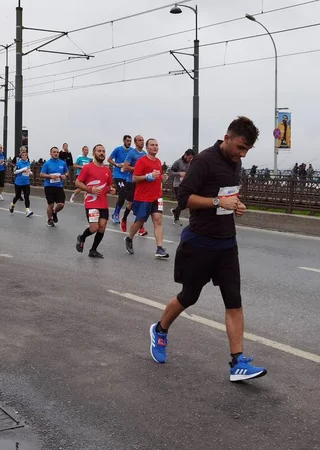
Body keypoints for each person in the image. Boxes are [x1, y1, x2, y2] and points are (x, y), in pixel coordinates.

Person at [149, 116, 268, 382]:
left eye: (248, 150)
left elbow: (227, 197)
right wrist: (217, 202)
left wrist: (236, 206)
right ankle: (160, 330)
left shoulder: (235, 163)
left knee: (234, 301)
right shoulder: (203, 160)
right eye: (240, 147)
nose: (243, 154)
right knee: (189, 296)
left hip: (227, 243)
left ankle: (238, 362)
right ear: (227, 138)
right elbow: (182, 198)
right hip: (200, 242)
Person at [124, 138, 169, 259]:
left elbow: (157, 177)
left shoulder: (158, 162)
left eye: (156, 145)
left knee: (158, 220)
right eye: (152, 145)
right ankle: (129, 238)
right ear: (147, 148)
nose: (155, 147)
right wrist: (148, 176)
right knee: (140, 221)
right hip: (144, 197)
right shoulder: (141, 161)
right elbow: (135, 178)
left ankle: (159, 248)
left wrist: (162, 178)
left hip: (157, 197)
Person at [75, 144, 116, 258]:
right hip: (91, 202)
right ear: (94, 153)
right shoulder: (87, 168)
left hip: (103, 203)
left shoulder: (107, 170)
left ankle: (93, 250)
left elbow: (109, 186)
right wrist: (90, 189)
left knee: (102, 227)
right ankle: (82, 237)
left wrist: (111, 190)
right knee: (94, 228)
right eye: (99, 151)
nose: (102, 153)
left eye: (103, 151)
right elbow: (77, 183)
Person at [121, 135, 148, 236]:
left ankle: (140, 227)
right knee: (131, 204)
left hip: (141, 182)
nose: (142, 142)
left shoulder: (145, 154)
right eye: (140, 140)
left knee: (141, 204)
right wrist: (137, 168)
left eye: (143, 140)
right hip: (131, 182)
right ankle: (124, 219)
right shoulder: (131, 153)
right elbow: (125, 167)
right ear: (135, 143)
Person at [40, 146, 69, 227]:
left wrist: (64, 176)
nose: (56, 153)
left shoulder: (62, 163)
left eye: (57, 152)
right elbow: (41, 174)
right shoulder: (47, 163)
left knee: (61, 204)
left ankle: (54, 212)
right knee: (51, 204)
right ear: (50, 153)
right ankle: (50, 219)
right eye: (54, 152)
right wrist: (50, 176)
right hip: (49, 186)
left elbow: (67, 172)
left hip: (59, 186)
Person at [108, 135, 133, 224]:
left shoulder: (132, 151)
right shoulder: (118, 149)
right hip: (118, 175)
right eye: (127, 141)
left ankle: (117, 214)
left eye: (130, 141)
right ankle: (116, 214)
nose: (129, 142)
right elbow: (109, 159)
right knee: (122, 194)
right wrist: (116, 164)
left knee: (127, 196)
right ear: (123, 141)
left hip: (128, 177)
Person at [169, 149, 195, 226]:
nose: (190, 159)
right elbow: (170, 173)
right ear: (185, 155)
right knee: (181, 202)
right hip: (178, 185)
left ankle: (175, 212)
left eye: (191, 158)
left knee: (188, 202)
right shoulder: (178, 162)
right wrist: (179, 173)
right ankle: (176, 219)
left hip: (187, 185)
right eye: (189, 158)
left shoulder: (191, 162)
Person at [9, 149, 34, 217]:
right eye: (23, 155)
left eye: (26, 155)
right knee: (17, 196)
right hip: (19, 183)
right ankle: (12, 204)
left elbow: (28, 171)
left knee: (26, 196)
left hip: (26, 183)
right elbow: (15, 172)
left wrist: (30, 173)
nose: (24, 156)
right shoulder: (19, 163)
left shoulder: (28, 163)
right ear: (21, 156)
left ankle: (27, 210)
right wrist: (23, 169)